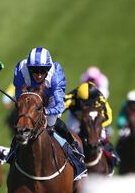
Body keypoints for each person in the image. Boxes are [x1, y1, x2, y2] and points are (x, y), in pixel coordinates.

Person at [6, 47, 85, 175]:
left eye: (43, 71)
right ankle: (13, 151)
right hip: (30, 99)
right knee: (22, 124)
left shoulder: (56, 74)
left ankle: (73, 150)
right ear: (28, 68)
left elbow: (60, 105)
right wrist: (26, 109)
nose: (38, 75)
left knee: (51, 125)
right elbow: (20, 98)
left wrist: (46, 111)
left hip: (50, 99)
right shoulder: (20, 69)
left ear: (49, 69)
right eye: (34, 70)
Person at [64, 81, 119, 166]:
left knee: (102, 134)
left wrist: (96, 127)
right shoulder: (72, 97)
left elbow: (108, 117)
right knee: (70, 132)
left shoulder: (100, 99)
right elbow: (59, 107)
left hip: (94, 119)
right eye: (82, 102)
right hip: (76, 117)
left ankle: (111, 152)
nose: (84, 105)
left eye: (86, 103)